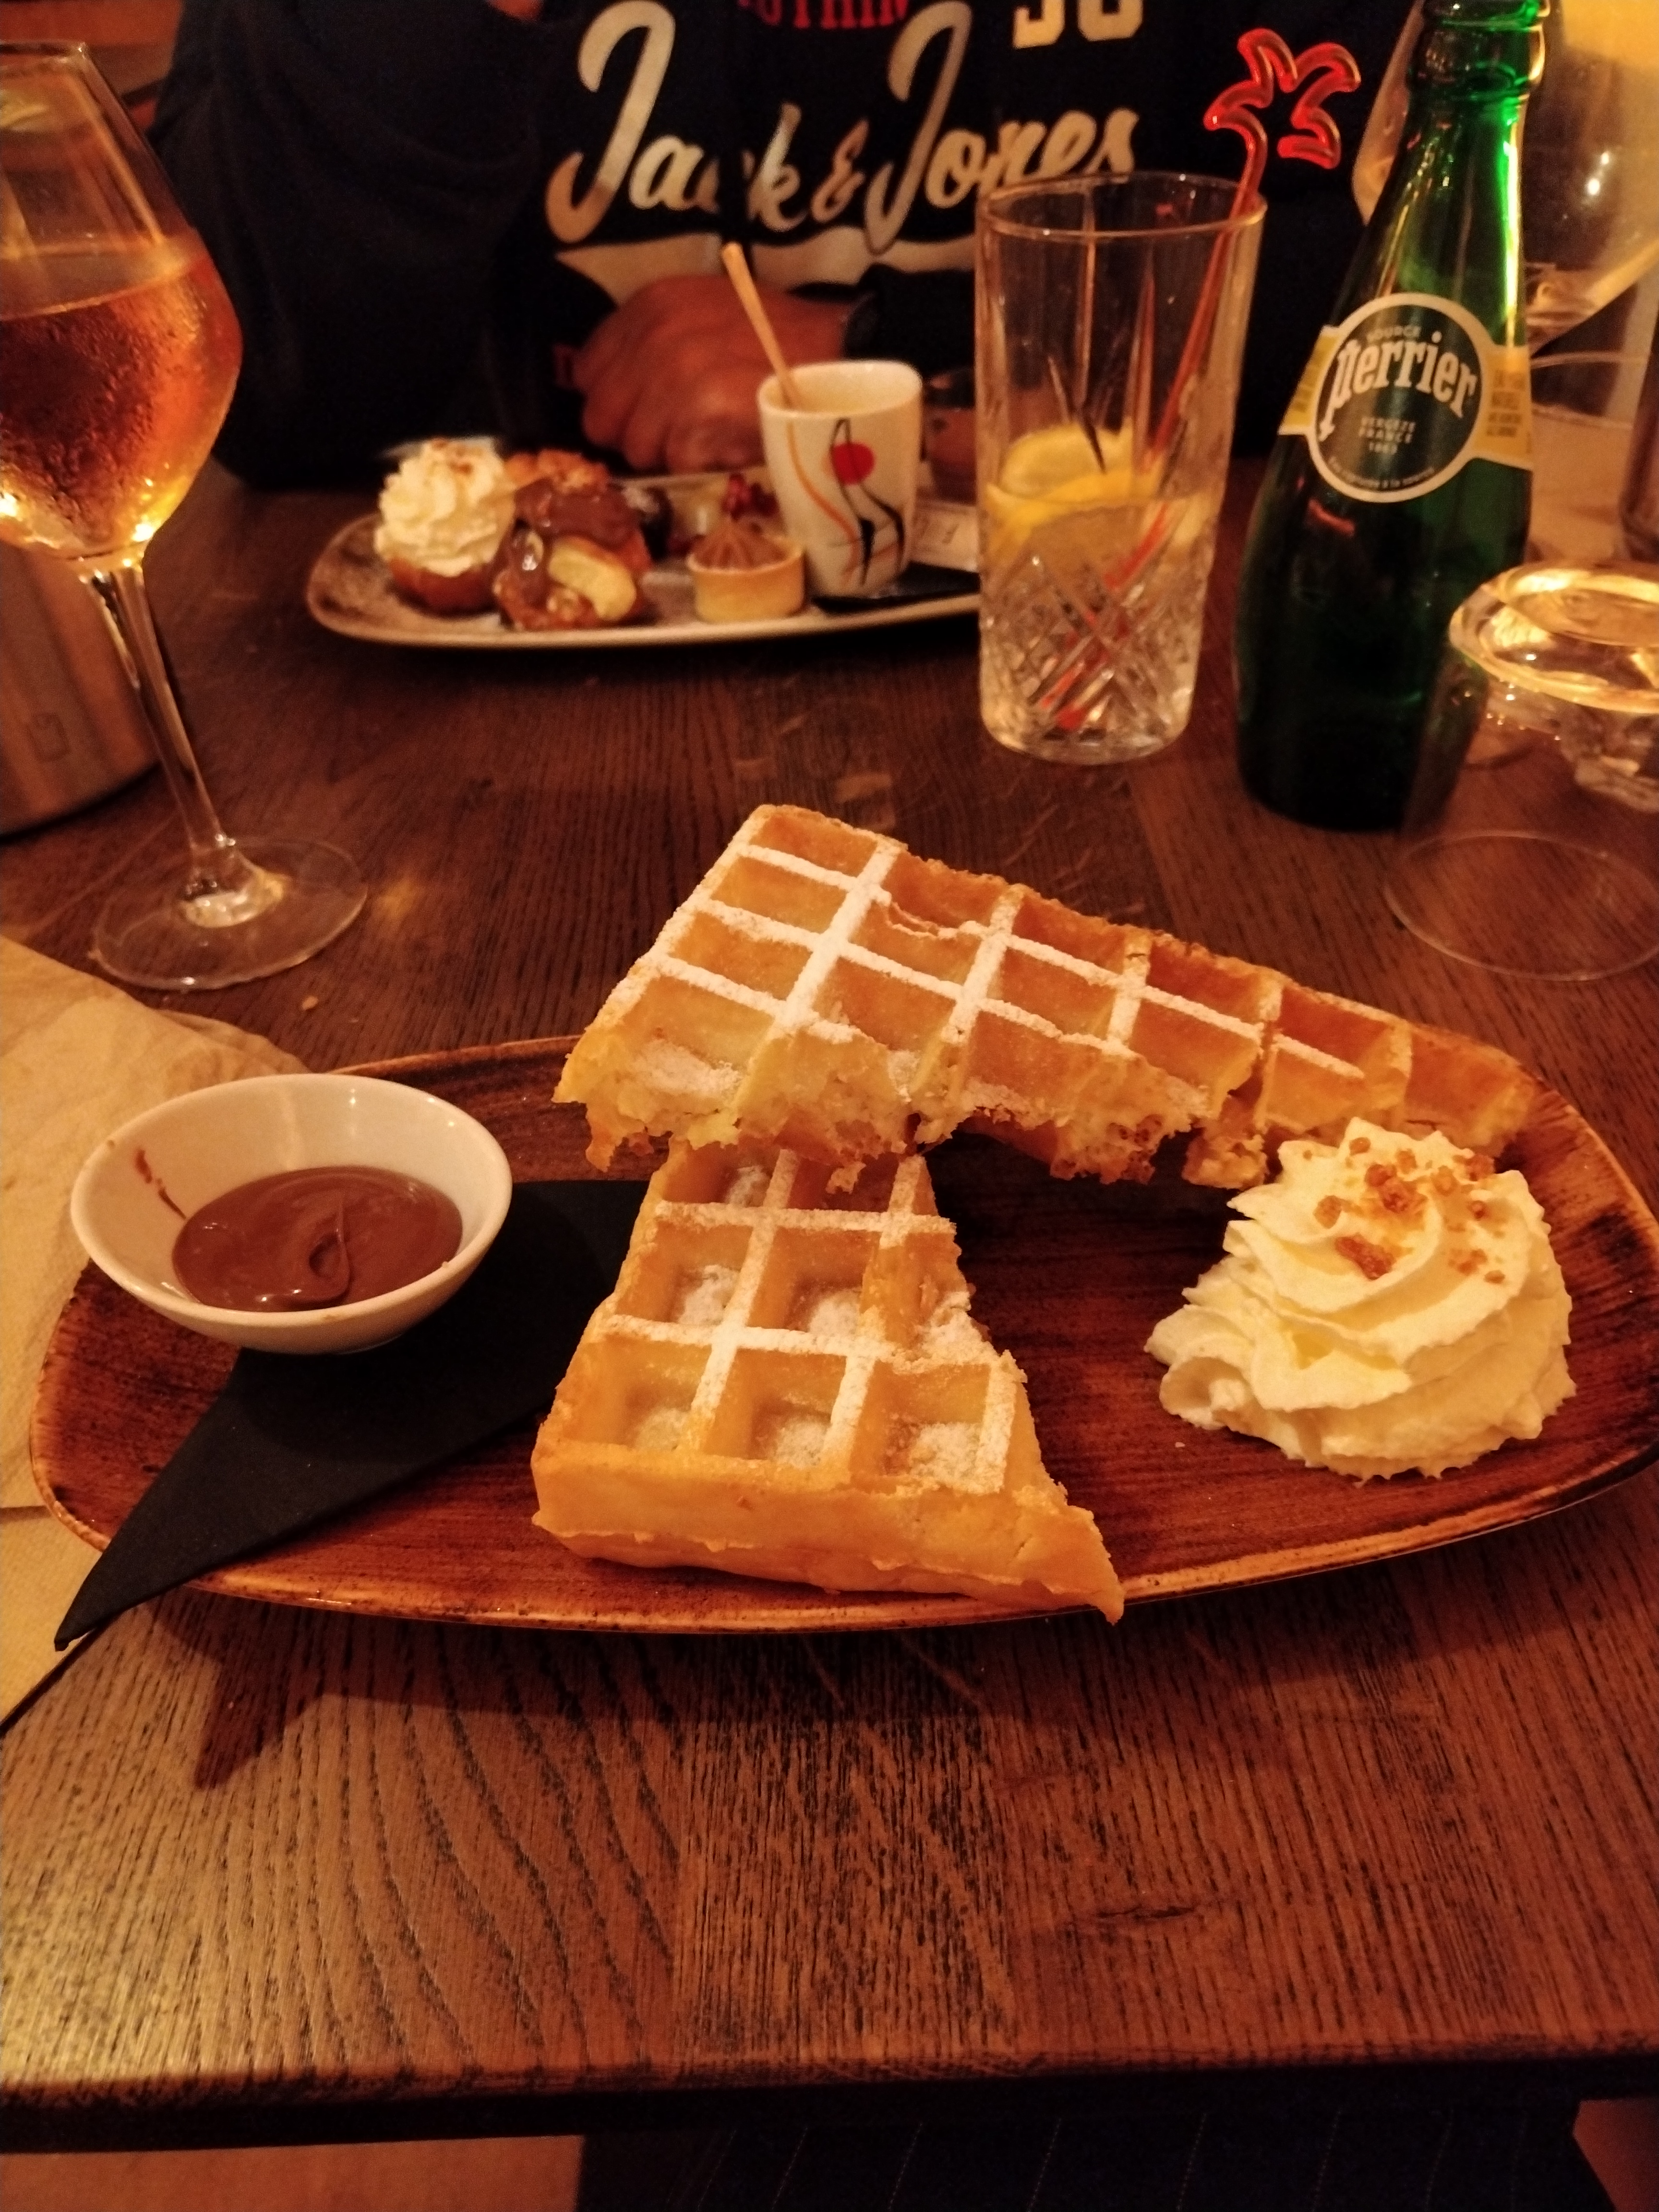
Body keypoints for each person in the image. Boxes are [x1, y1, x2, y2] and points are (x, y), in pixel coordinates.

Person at [152, 0, 1414, 488]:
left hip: (1082, 621)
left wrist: (891, 357)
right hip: (492, 690)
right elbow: (267, 401)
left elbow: (1398, 316)